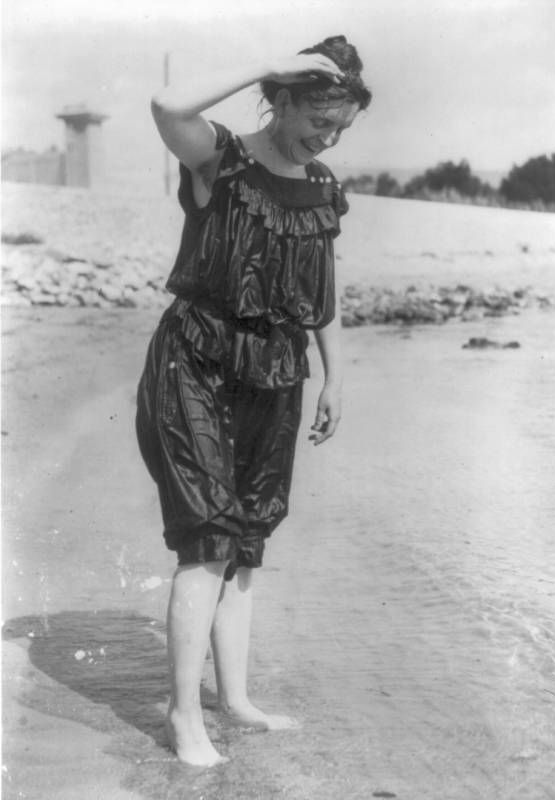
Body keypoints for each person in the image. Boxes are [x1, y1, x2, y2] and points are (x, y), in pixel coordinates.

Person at [136, 34, 371, 766]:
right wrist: (265, 61)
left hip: (275, 367)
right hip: (195, 360)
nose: (326, 140)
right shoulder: (221, 157)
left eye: (338, 130)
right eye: (316, 123)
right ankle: (184, 717)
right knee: (207, 539)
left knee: (243, 547)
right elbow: (166, 103)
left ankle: (232, 698)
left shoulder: (324, 186)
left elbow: (323, 291)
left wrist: (335, 376)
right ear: (283, 99)